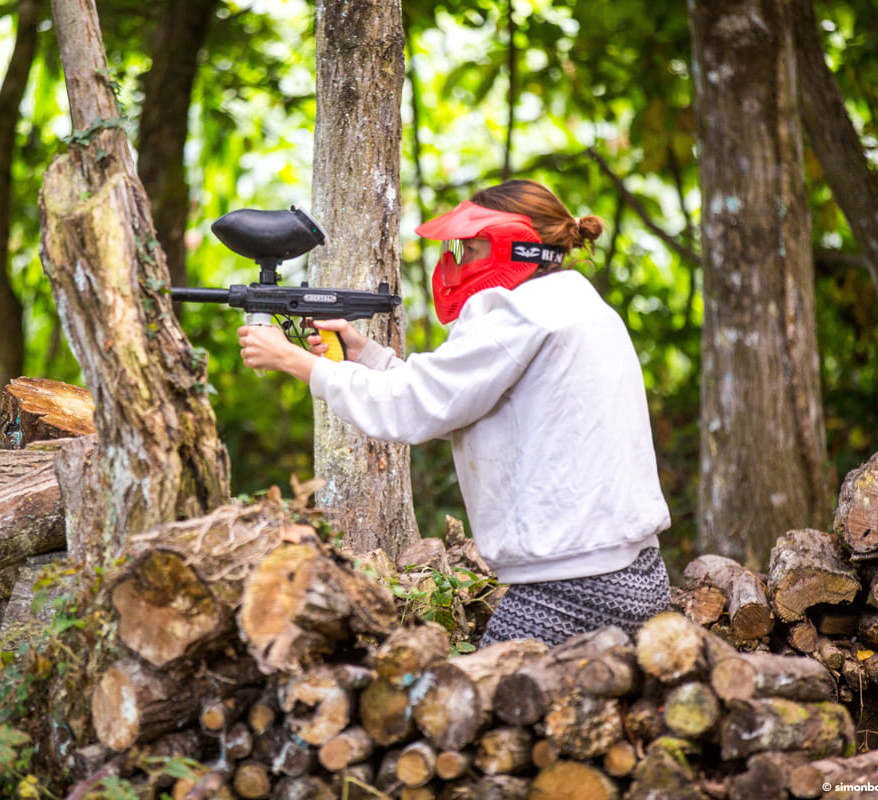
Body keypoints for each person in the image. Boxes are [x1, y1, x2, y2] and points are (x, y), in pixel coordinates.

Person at [237, 179, 671, 647]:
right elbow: (463, 404)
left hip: (572, 587)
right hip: (636, 573)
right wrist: (365, 355)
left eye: (471, 248)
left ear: (514, 246)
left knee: (481, 710)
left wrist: (294, 361)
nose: (458, 263)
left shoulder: (516, 311)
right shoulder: (574, 303)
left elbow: (411, 410)